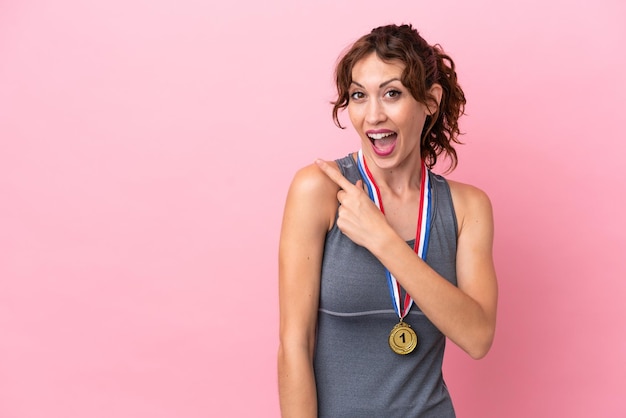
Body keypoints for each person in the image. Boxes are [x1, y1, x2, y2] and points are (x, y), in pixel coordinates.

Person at [277, 23, 498, 417]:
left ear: (430, 101)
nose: (373, 115)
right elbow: (295, 343)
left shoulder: (468, 208)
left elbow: (478, 336)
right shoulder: (320, 191)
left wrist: (382, 239)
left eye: (392, 94)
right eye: (359, 96)